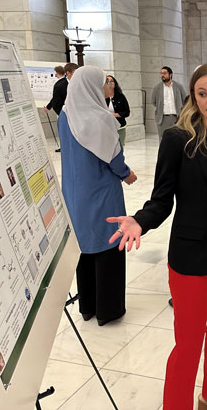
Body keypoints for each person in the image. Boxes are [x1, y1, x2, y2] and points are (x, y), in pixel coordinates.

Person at [107, 63, 207, 410]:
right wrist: (139, 220)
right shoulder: (178, 139)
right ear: (193, 97)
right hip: (190, 255)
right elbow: (162, 198)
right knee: (189, 341)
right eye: (202, 93)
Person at [58, 65, 137, 326]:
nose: (108, 88)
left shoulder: (65, 116)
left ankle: (88, 306)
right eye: (104, 83)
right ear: (91, 86)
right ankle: (109, 310)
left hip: (74, 192)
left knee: (84, 248)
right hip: (101, 193)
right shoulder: (100, 118)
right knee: (108, 243)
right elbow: (114, 159)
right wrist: (127, 174)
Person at [45, 62, 79, 152]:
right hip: (65, 114)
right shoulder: (60, 85)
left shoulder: (79, 83)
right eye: (75, 73)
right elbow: (56, 102)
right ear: (68, 73)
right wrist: (64, 114)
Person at [152, 66, 188, 139]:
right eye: (161, 73)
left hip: (177, 117)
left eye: (164, 73)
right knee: (163, 139)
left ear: (170, 74)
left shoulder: (178, 86)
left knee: (178, 138)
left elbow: (185, 100)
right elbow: (153, 102)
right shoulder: (157, 88)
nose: (162, 75)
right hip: (163, 118)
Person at [104, 75, 130, 145]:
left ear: (115, 83)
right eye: (107, 81)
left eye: (111, 81)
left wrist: (114, 115)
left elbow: (127, 112)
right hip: (107, 127)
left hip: (120, 126)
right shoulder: (102, 97)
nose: (110, 82)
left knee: (121, 146)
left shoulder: (121, 97)